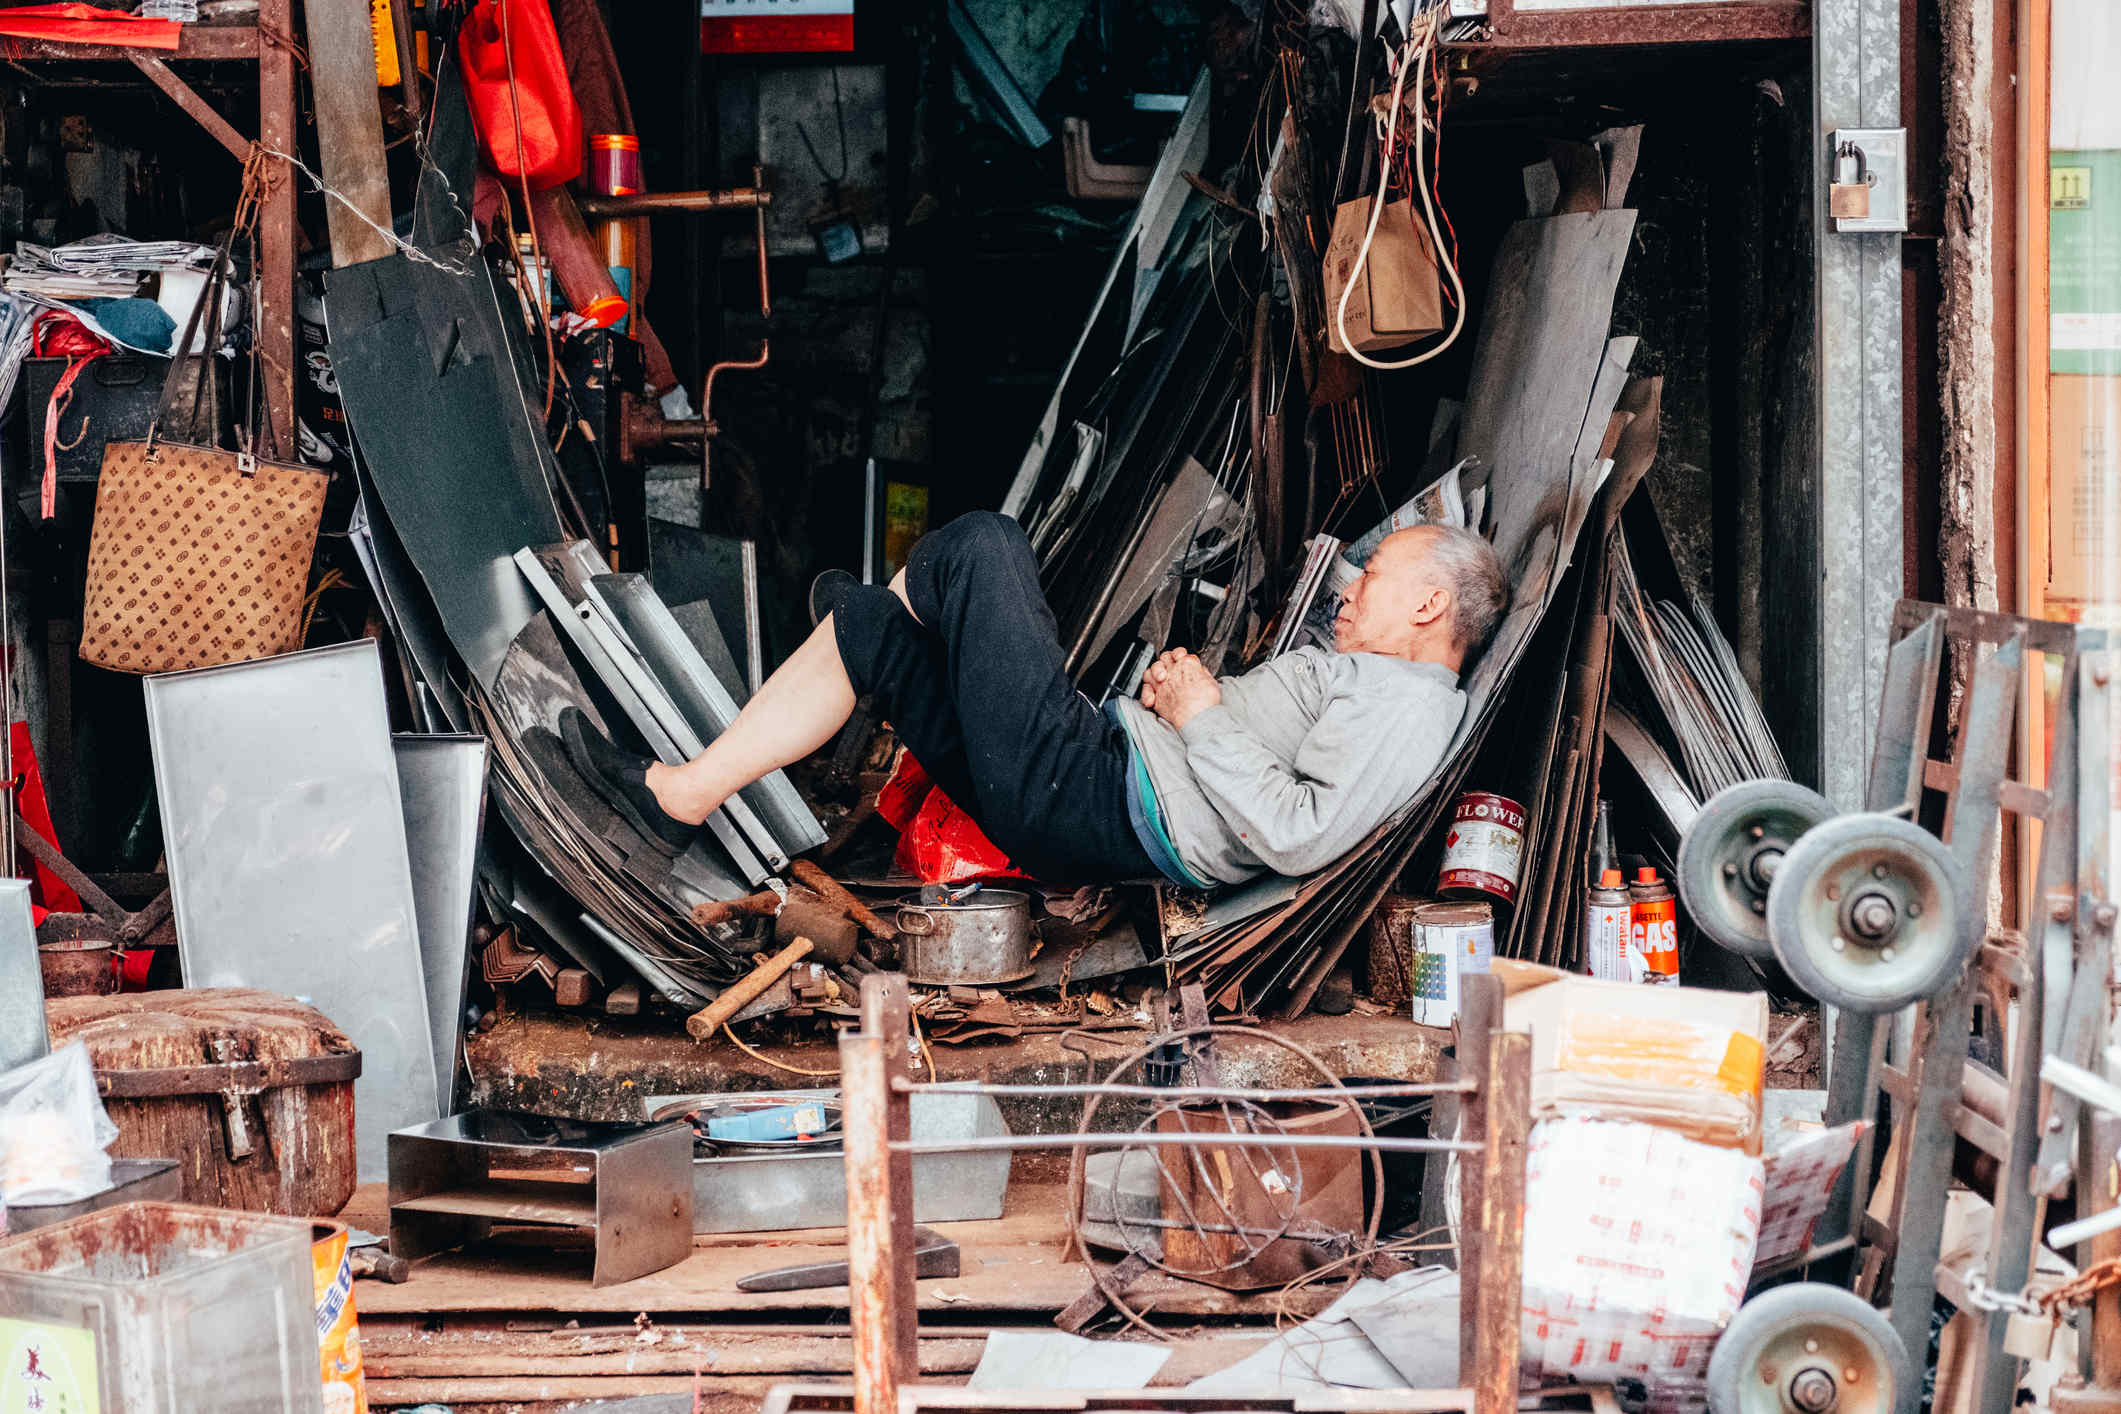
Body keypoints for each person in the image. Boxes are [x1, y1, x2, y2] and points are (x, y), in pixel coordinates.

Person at [561, 510, 1507, 888]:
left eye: (1371, 576)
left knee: (982, 546)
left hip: (1092, 801)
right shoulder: (1387, 686)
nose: (1347, 590)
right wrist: (1179, 712)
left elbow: (1301, 833)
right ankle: (681, 796)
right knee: (870, 628)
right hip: (1094, 784)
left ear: (1428, 602)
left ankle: (914, 598)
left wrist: (1198, 712)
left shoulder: (1412, 704)